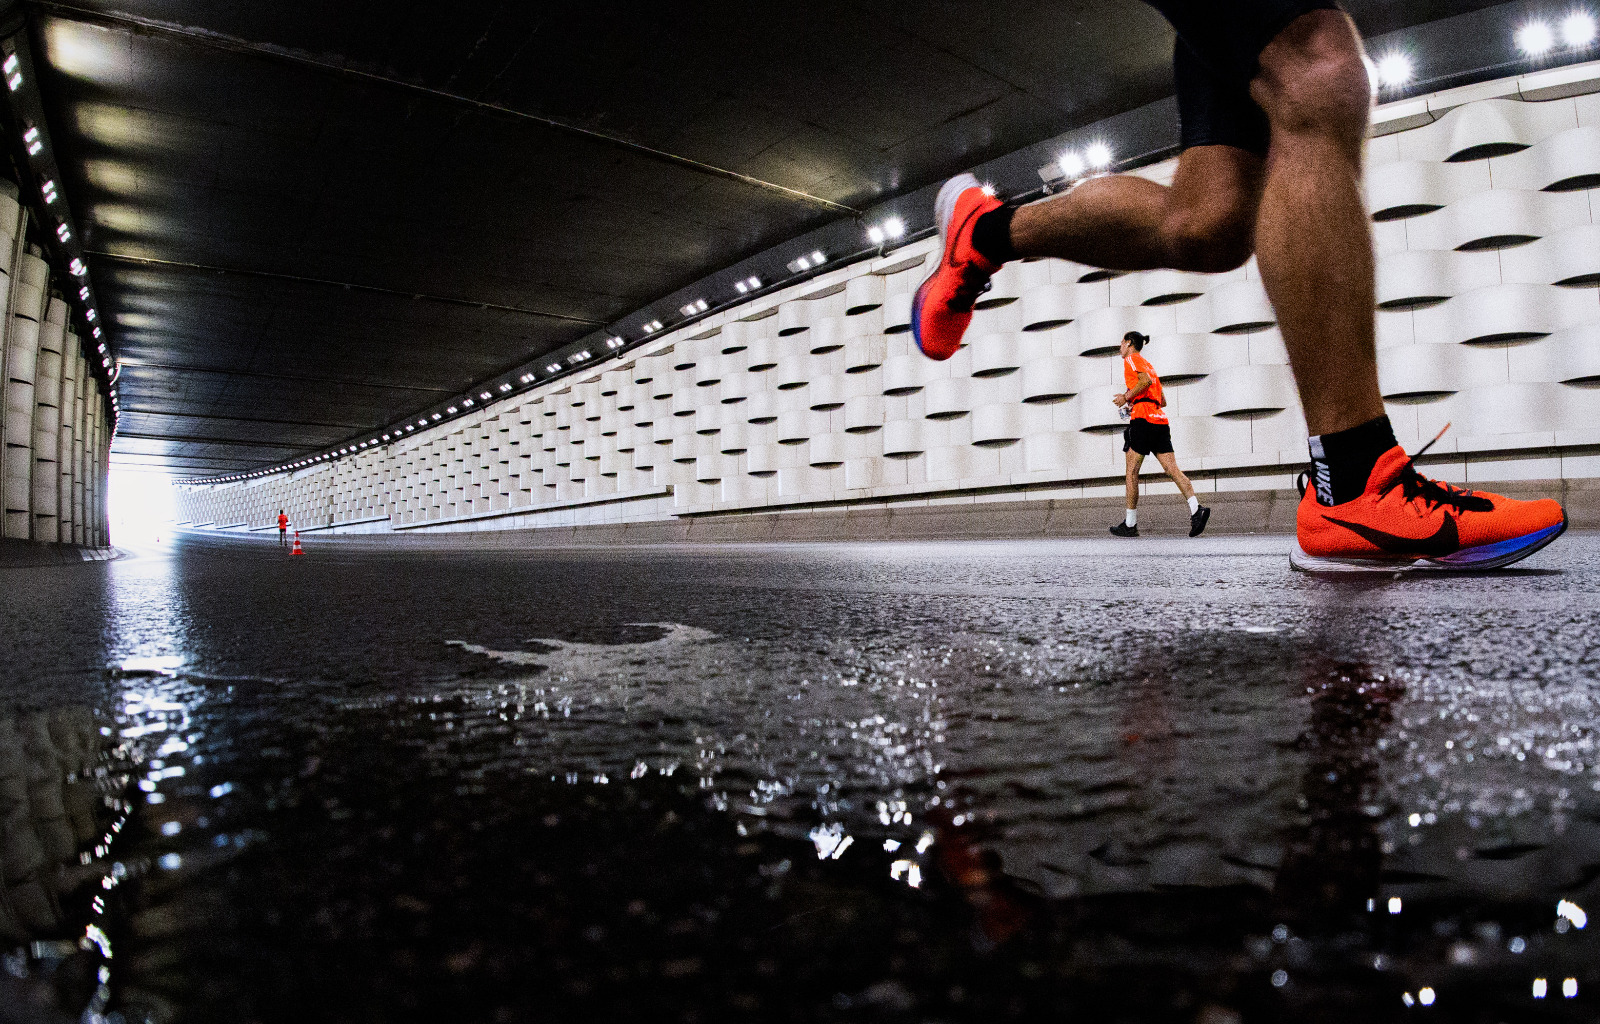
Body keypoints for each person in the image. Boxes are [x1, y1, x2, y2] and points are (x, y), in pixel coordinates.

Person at [910, 1, 1566, 571]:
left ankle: (985, 232)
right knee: (1318, 70)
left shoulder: (1135, 362)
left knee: (1211, 223)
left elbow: (1145, 379)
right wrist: (1130, 393)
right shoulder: (1134, 359)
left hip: (1146, 418)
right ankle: (1357, 476)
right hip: (1147, 419)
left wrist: (1130, 394)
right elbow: (1141, 385)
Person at [1109, 331, 1209, 538]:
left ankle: (1130, 524)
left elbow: (1143, 382)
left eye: (1121, 343)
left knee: (1131, 472)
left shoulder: (1131, 359)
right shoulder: (1150, 366)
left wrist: (1126, 398)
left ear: (1129, 343)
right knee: (1172, 469)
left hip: (1143, 421)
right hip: (1159, 419)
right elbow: (1162, 400)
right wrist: (1135, 402)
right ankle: (1196, 508)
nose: (1120, 347)